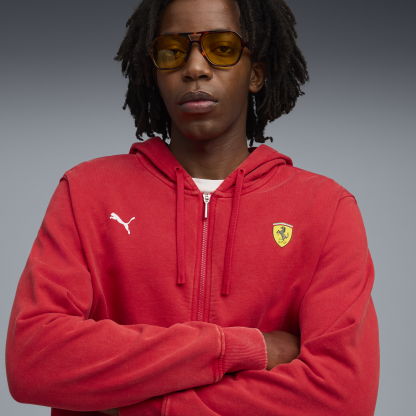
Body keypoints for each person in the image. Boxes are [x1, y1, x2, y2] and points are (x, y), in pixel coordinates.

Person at [5, 0, 380, 415]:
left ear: (256, 74)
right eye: (172, 51)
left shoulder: (326, 209)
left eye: (222, 48)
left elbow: (343, 396)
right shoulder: (87, 192)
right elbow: (33, 360)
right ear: (155, 72)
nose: (195, 68)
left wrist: (136, 406)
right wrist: (242, 348)